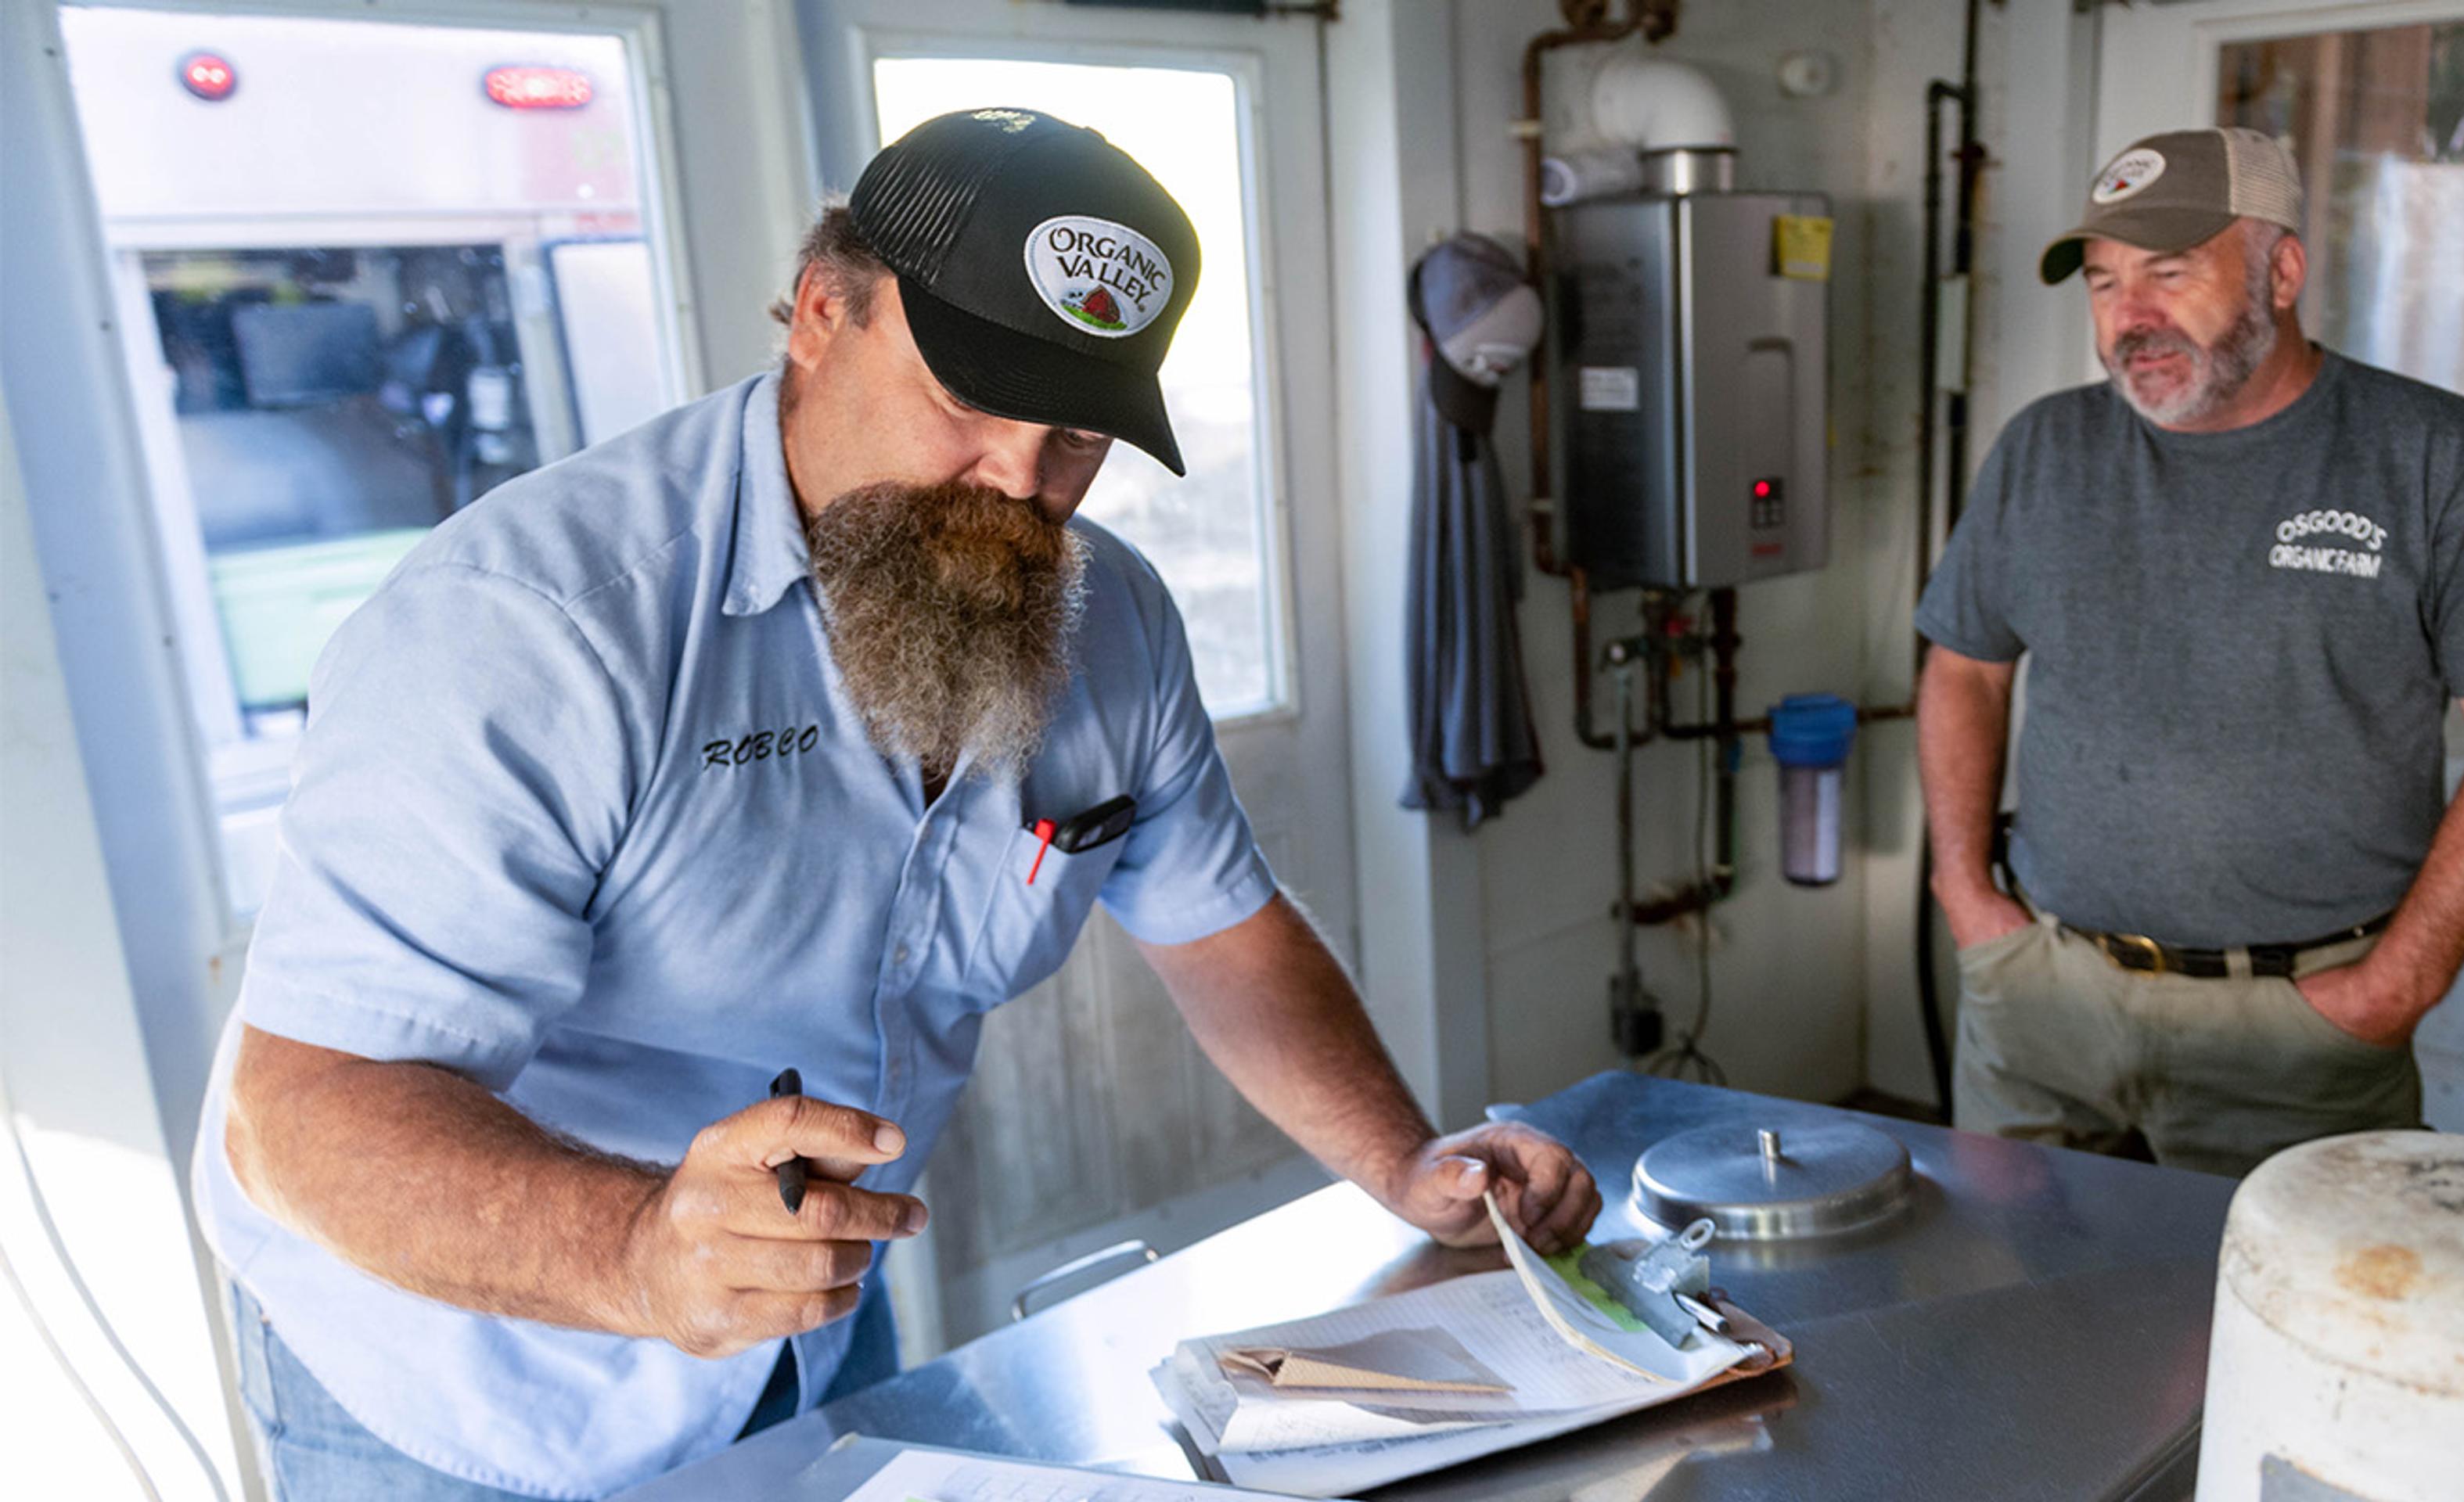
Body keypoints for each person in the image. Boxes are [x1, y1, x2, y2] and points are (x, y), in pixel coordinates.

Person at [199, 108, 1599, 1502]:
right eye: (975, 401)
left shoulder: (1107, 619)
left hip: (800, 1317)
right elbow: (303, 1114)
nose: (1022, 482)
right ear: (823, 311)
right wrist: (639, 1252)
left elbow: (1222, 932)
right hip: (458, 1377)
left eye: (1078, 434)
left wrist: (1407, 1164)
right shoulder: (532, 629)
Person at [1915, 127, 2464, 1178]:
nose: (2130, 318)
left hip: (2298, 1029)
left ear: (2281, 271)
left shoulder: (2445, 463)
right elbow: (1965, 668)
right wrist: (1968, 897)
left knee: (2265, 1327)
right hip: (2042, 997)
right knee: (2002, 1290)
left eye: (2170, 273)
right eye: (2104, 285)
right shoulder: (2045, 449)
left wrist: (2398, 986)